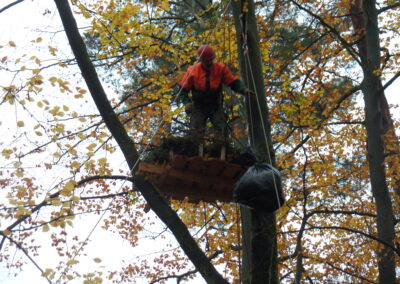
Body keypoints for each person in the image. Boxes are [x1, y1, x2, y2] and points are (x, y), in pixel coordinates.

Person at [179, 44, 252, 143]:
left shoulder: (220, 69)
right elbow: (182, 90)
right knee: (195, 131)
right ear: (201, 60)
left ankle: (223, 149)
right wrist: (186, 103)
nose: (209, 63)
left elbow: (232, 82)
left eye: (210, 60)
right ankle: (195, 151)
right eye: (207, 61)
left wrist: (243, 90)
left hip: (215, 105)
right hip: (198, 106)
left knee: (222, 129)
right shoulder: (193, 71)